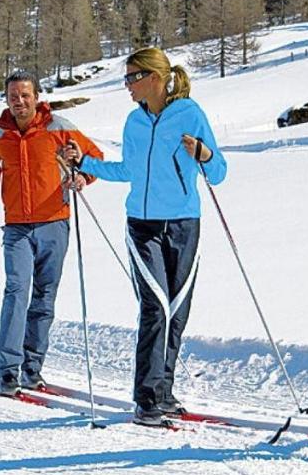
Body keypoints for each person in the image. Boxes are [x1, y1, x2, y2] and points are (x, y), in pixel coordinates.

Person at [63, 48, 226, 425]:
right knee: (155, 307)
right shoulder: (133, 123)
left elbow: (218, 172)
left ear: (154, 77)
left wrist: (202, 153)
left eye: (132, 77)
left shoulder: (190, 114)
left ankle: (164, 392)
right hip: (142, 225)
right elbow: (128, 171)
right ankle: (148, 398)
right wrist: (84, 164)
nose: (127, 85)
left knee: (176, 312)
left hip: (185, 225)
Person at [0, 72, 102, 395]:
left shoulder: (58, 127)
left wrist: (82, 178)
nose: (19, 102)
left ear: (36, 96)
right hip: (16, 225)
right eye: (13, 96)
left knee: (45, 296)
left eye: (24, 95)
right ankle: (8, 371)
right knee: (17, 291)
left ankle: (32, 368)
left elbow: (94, 158)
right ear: (7, 99)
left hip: (54, 222)